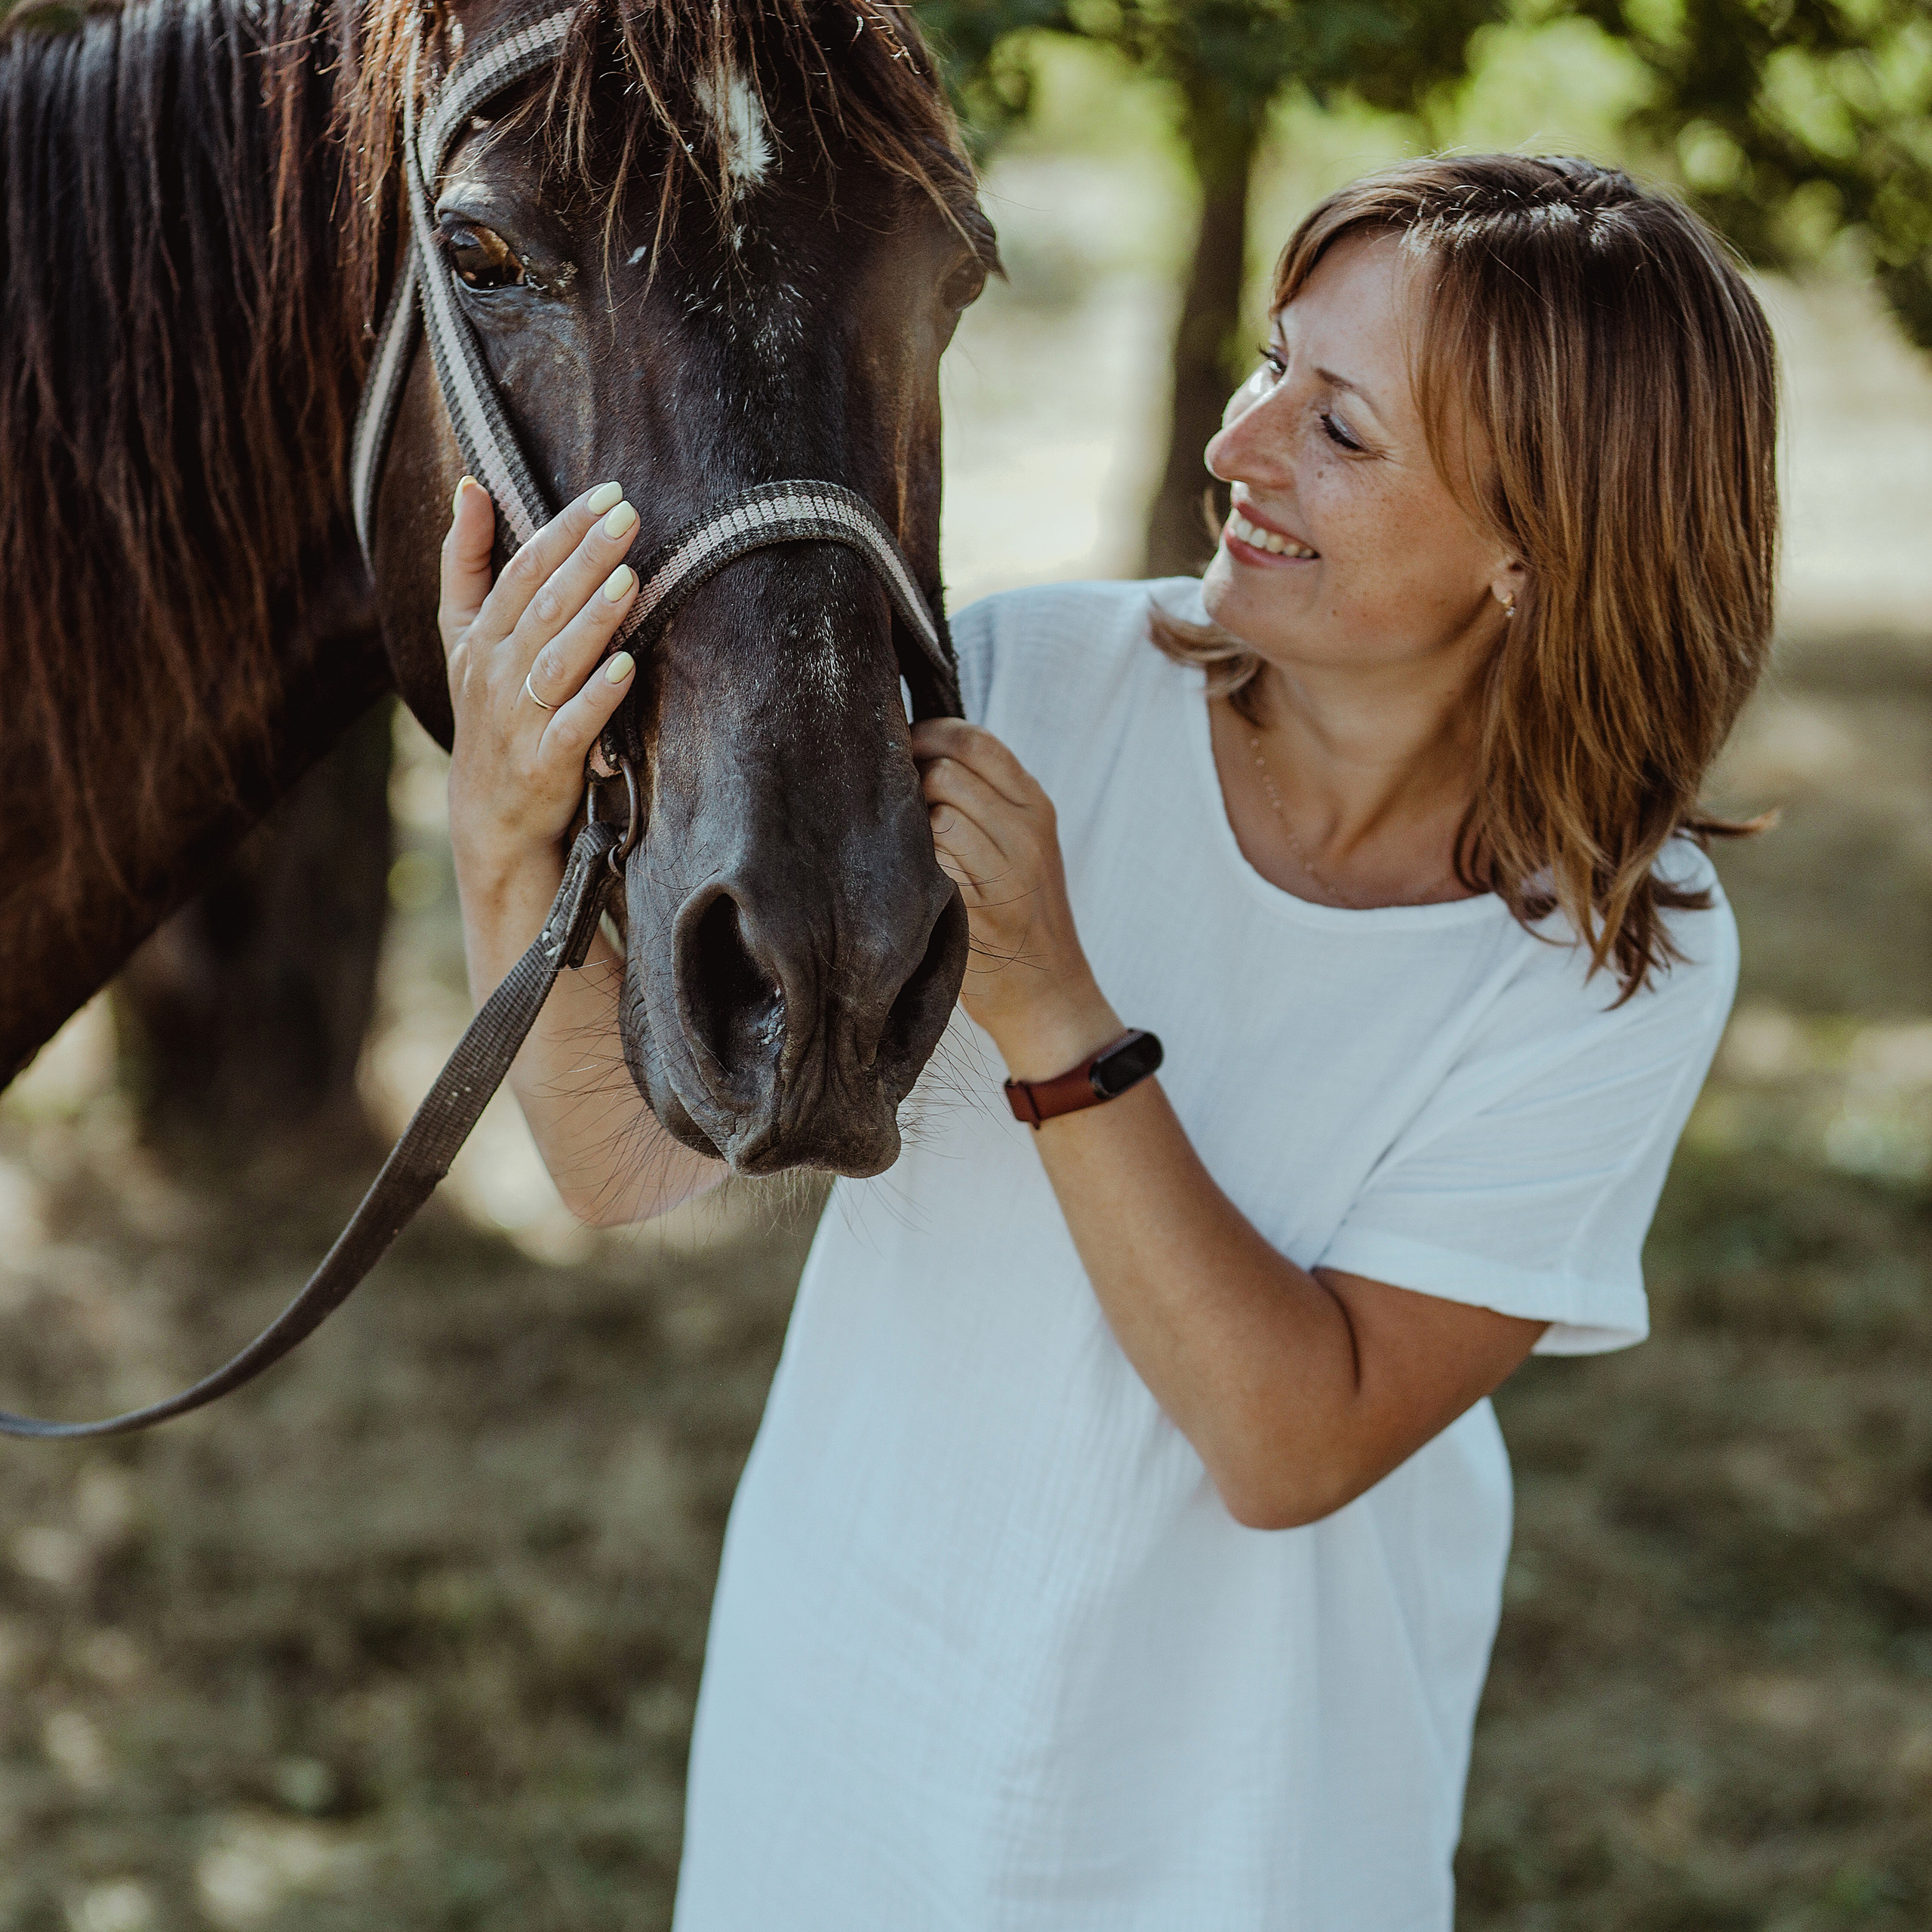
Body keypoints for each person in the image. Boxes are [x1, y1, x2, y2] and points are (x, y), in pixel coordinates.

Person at [433, 155, 1777, 1928]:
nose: (1241, 445)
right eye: (1269, 365)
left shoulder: (1608, 960)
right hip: (849, 1739)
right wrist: (499, 830)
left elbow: (1291, 1437)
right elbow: (620, 1163)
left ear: (1538, 542)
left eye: (1343, 429)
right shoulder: (1017, 689)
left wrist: (1054, 1013)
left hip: (1239, 1826)